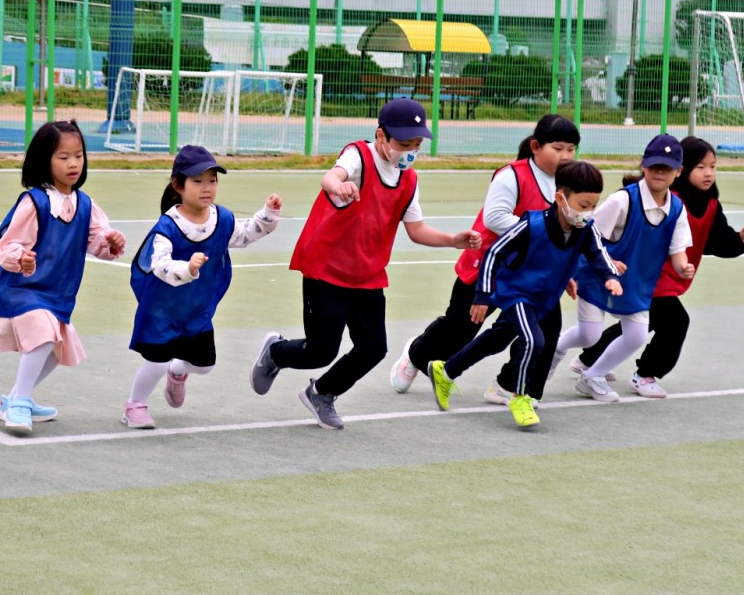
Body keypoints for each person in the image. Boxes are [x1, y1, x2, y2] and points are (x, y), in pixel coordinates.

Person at [248, 97, 481, 430]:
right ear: (381, 136)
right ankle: (276, 353)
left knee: (374, 348)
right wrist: (339, 185)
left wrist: (452, 240)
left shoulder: (409, 180)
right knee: (321, 351)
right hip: (326, 268)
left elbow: (416, 230)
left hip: (367, 274)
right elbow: (331, 176)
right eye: (404, 143)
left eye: (417, 144)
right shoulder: (359, 156)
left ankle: (322, 393)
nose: (411, 150)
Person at [390, 114, 581, 407]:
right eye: (558, 148)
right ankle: (417, 355)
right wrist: (541, 236)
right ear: (535, 146)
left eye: (571, 149)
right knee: (461, 331)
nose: (566, 155)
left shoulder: (568, 184)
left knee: (546, 328)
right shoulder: (512, 175)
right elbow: (495, 218)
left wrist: (560, 267)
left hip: (531, 274)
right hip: (489, 265)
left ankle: (513, 387)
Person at [426, 160, 622, 428]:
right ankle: (520, 396)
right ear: (560, 198)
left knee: (495, 340)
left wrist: (610, 276)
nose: (587, 213)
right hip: (517, 292)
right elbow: (493, 252)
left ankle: (445, 371)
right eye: (583, 206)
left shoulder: (585, 229)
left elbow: (599, 255)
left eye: (593, 207)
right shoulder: (531, 224)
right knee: (533, 341)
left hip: (545, 297)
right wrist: (482, 295)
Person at [572, 136, 744, 397]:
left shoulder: (710, 205)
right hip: (649, 275)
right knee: (674, 322)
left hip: (669, 278)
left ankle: (589, 360)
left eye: (713, 167)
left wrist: (740, 240)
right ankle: (644, 374)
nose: (708, 173)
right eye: (701, 166)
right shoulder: (667, 200)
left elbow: (715, 242)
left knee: (639, 324)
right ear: (683, 169)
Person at [0, 120, 126, 434]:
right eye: (63, 157)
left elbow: (97, 243)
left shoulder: (85, 204)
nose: (73, 163)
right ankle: (19, 401)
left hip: (58, 290)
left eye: (78, 155)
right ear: (44, 160)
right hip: (21, 286)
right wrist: (22, 257)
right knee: (46, 335)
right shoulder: (34, 202)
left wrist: (110, 243)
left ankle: (15, 398)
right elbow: (6, 246)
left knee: (56, 350)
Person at [124, 145, 282, 429]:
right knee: (156, 362)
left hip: (196, 310)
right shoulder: (167, 226)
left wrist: (267, 215)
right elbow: (158, 264)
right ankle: (134, 406)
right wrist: (187, 268)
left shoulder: (220, 219)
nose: (206, 187)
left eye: (212, 180)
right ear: (178, 186)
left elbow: (244, 235)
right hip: (162, 310)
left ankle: (177, 371)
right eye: (197, 181)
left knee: (205, 364)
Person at [553, 134, 696, 403]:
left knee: (637, 335)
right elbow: (588, 236)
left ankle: (593, 376)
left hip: (636, 283)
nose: (659, 172)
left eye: (667, 168)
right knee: (589, 334)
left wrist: (683, 268)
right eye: (655, 166)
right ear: (643, 165)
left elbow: (678, 254)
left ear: (678, 172)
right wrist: (607, 261)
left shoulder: (677, 209)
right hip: (597, 275)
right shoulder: (623, 200)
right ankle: (555, 349)